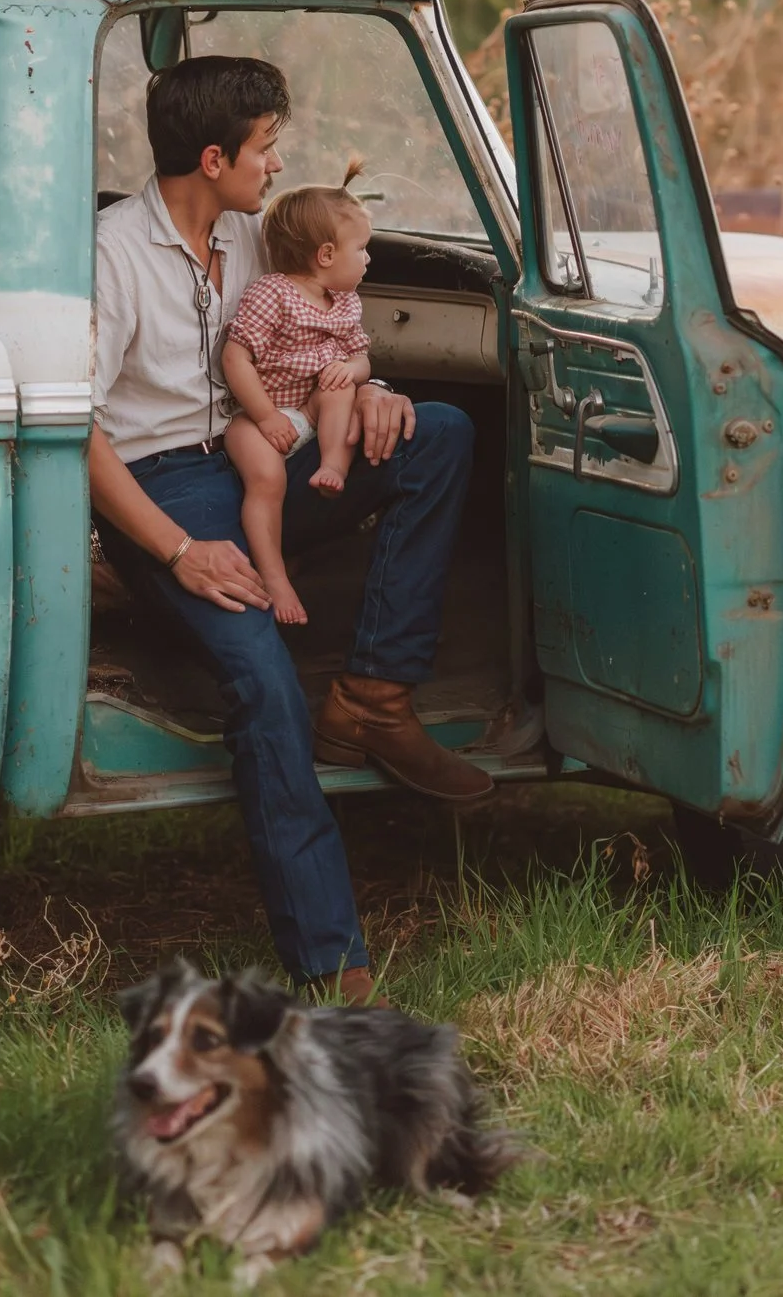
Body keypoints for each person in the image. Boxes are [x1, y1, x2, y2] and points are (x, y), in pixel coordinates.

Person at [89, 55, 490, 1006]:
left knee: (440, 433)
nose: (279, 166)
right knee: (262, 681)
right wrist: (180, 552)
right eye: (267, 148)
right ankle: (331, 960)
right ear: (215, 154)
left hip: (262, 455)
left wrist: (372, 392)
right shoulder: (113, 252)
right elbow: (79, 431)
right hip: (161, 494)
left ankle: (373, 698)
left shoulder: (254, 237)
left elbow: (307, 345)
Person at [220, 169, 375, 626]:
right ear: (325, 254)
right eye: (361, 249)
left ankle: (332, 464)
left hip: (309, 409)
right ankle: (275, 576)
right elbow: (235, 360)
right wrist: (265, 417)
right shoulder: (273, 294)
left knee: (341, 385)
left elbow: (363, 360)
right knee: (266, 480)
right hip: (256, 414)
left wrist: (349, 369)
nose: (368, 259)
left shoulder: (345, 303)